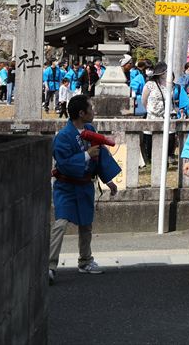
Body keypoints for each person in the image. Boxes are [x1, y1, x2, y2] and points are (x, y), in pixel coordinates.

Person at [47, 95, 121, 284]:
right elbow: (64, 164)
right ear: (82, 113)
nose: (93, 111)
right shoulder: (63, 137)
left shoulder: (90, 130)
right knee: (61, 223)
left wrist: (108, 180)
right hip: (66, 186)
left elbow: (101, 157)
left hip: (85, 184)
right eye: (91, 108)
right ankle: (49, 266)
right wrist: (86, 155)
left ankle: (85, 260)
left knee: (86, 224)